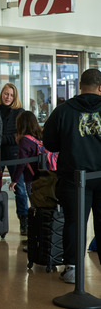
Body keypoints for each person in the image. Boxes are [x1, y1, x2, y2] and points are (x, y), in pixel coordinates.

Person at [43, 68, 101, 285]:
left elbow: (49, 143)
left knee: (74, 222)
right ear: (100, 87)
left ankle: (72, 269)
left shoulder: (63, 110)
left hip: (74, 177)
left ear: (79, 86)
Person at [0, 84, 26, 234]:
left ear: (15, 97)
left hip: (15, 155)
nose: (8, 97)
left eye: (11, 95)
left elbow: (19, 136)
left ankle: (24, 222)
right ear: (2, 94)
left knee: (19, 189)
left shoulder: (20, 113)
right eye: (6, 94)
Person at [10, 111, 42, 196]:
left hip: (32, 178)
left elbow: (22, 162)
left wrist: (14, 180)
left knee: (35, 203)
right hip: (46, 175)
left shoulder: (25, 140)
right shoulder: (40, 136)